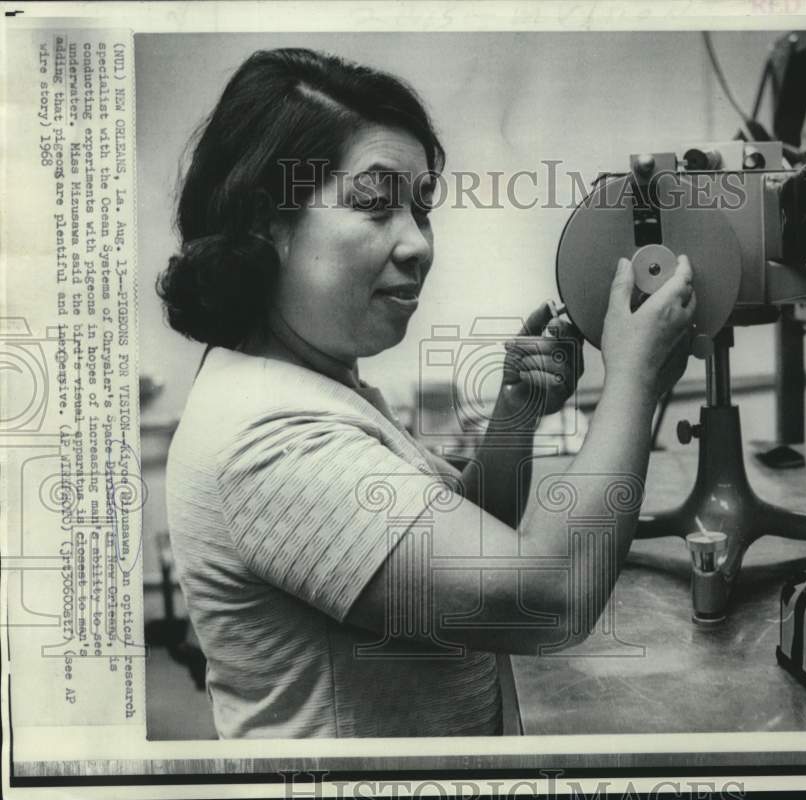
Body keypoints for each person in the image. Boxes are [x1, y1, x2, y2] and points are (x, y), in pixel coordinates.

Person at [159, 47, 695, 739]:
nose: (417, 245)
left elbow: (463, 547)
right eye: (375, 205)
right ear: (266, 220)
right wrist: (636, 380)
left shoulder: (316, 384)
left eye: (420, 209)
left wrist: (517, 417)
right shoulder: (272, 442)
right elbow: (545, 600)